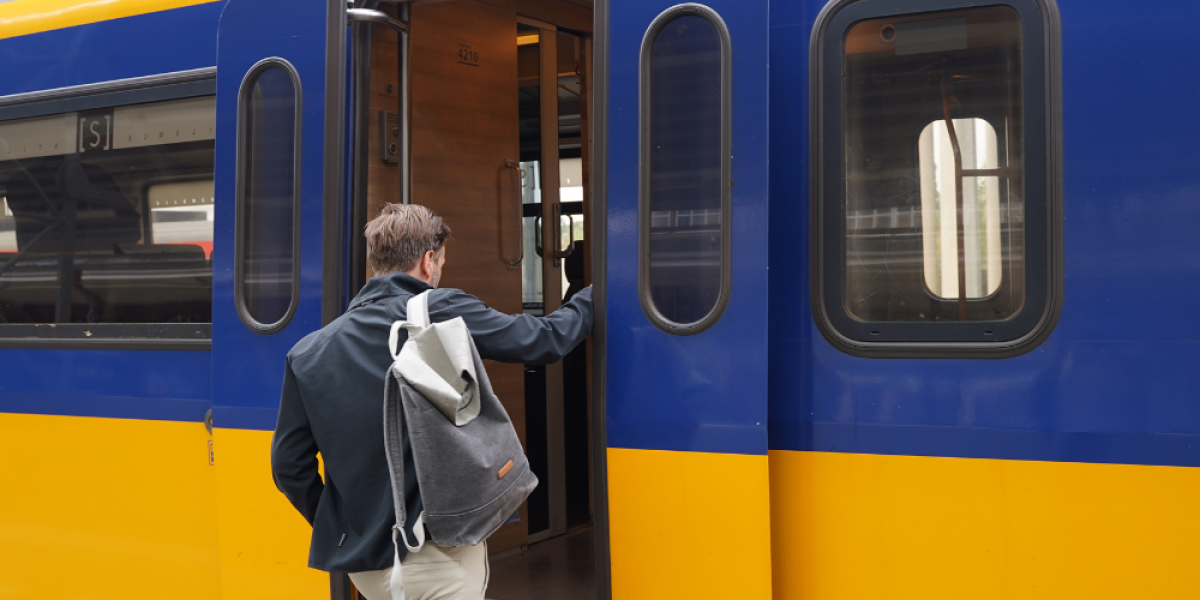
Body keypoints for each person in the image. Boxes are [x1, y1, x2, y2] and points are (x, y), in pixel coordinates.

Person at [271, 204, 592, 600]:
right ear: (428, 262)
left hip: (365, 567)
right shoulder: (439, 308)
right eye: (440, 263)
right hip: (438, 553)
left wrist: (345, 526)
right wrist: (592, 294)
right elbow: (543, 340)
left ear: (374, 263)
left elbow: (288, 467)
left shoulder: (307, 353)